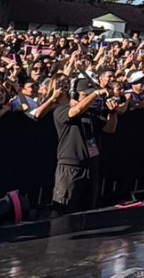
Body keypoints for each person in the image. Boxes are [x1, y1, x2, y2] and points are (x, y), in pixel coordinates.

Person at [51, 76, 119, 214]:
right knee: (64, 209)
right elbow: (75, 111)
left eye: (90, 94)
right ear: (75, 94)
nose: (89, 97)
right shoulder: (61, 110)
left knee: (88, 210)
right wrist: (95, 94)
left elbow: (110, 129)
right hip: (71, 167)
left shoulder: (92, 113)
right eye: (85, 94)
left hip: (90, 166)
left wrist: (112, 112)